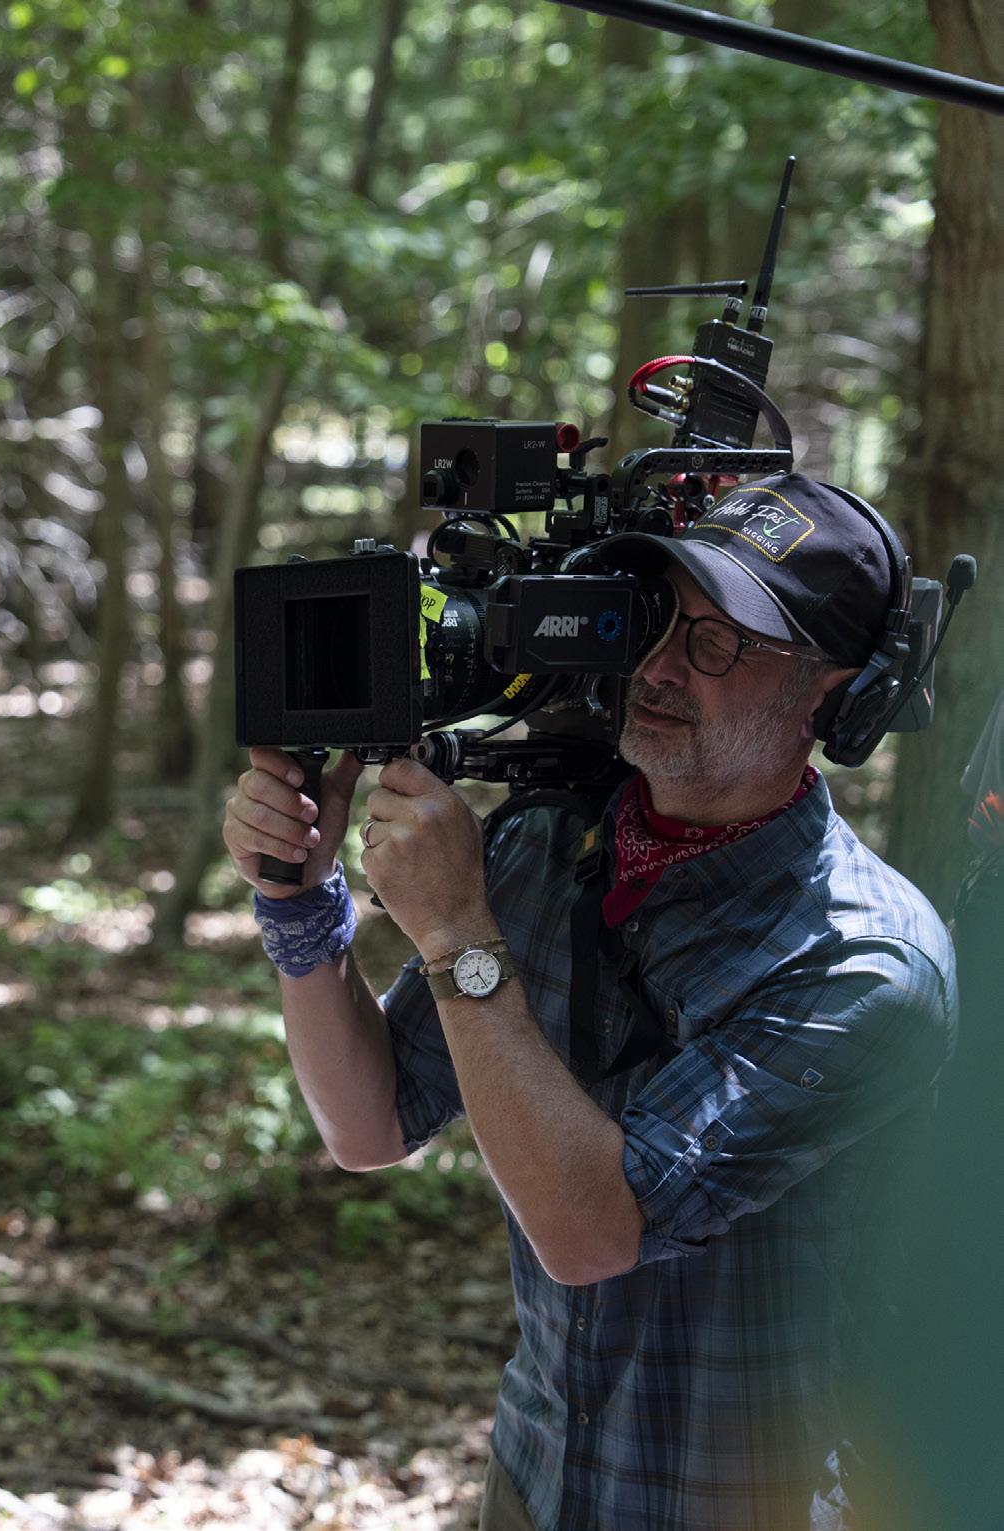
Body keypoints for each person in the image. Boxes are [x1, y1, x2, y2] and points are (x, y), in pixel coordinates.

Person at [222, 474, 956, 1530]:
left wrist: (458, 936)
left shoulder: (864, 964)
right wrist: (299, 903)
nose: (658, 666)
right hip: (539, 1475)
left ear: (836, 697)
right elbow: (370, 1122)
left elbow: (592, 1230)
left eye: (718, 642)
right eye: (660, 619)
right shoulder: (545, 845)